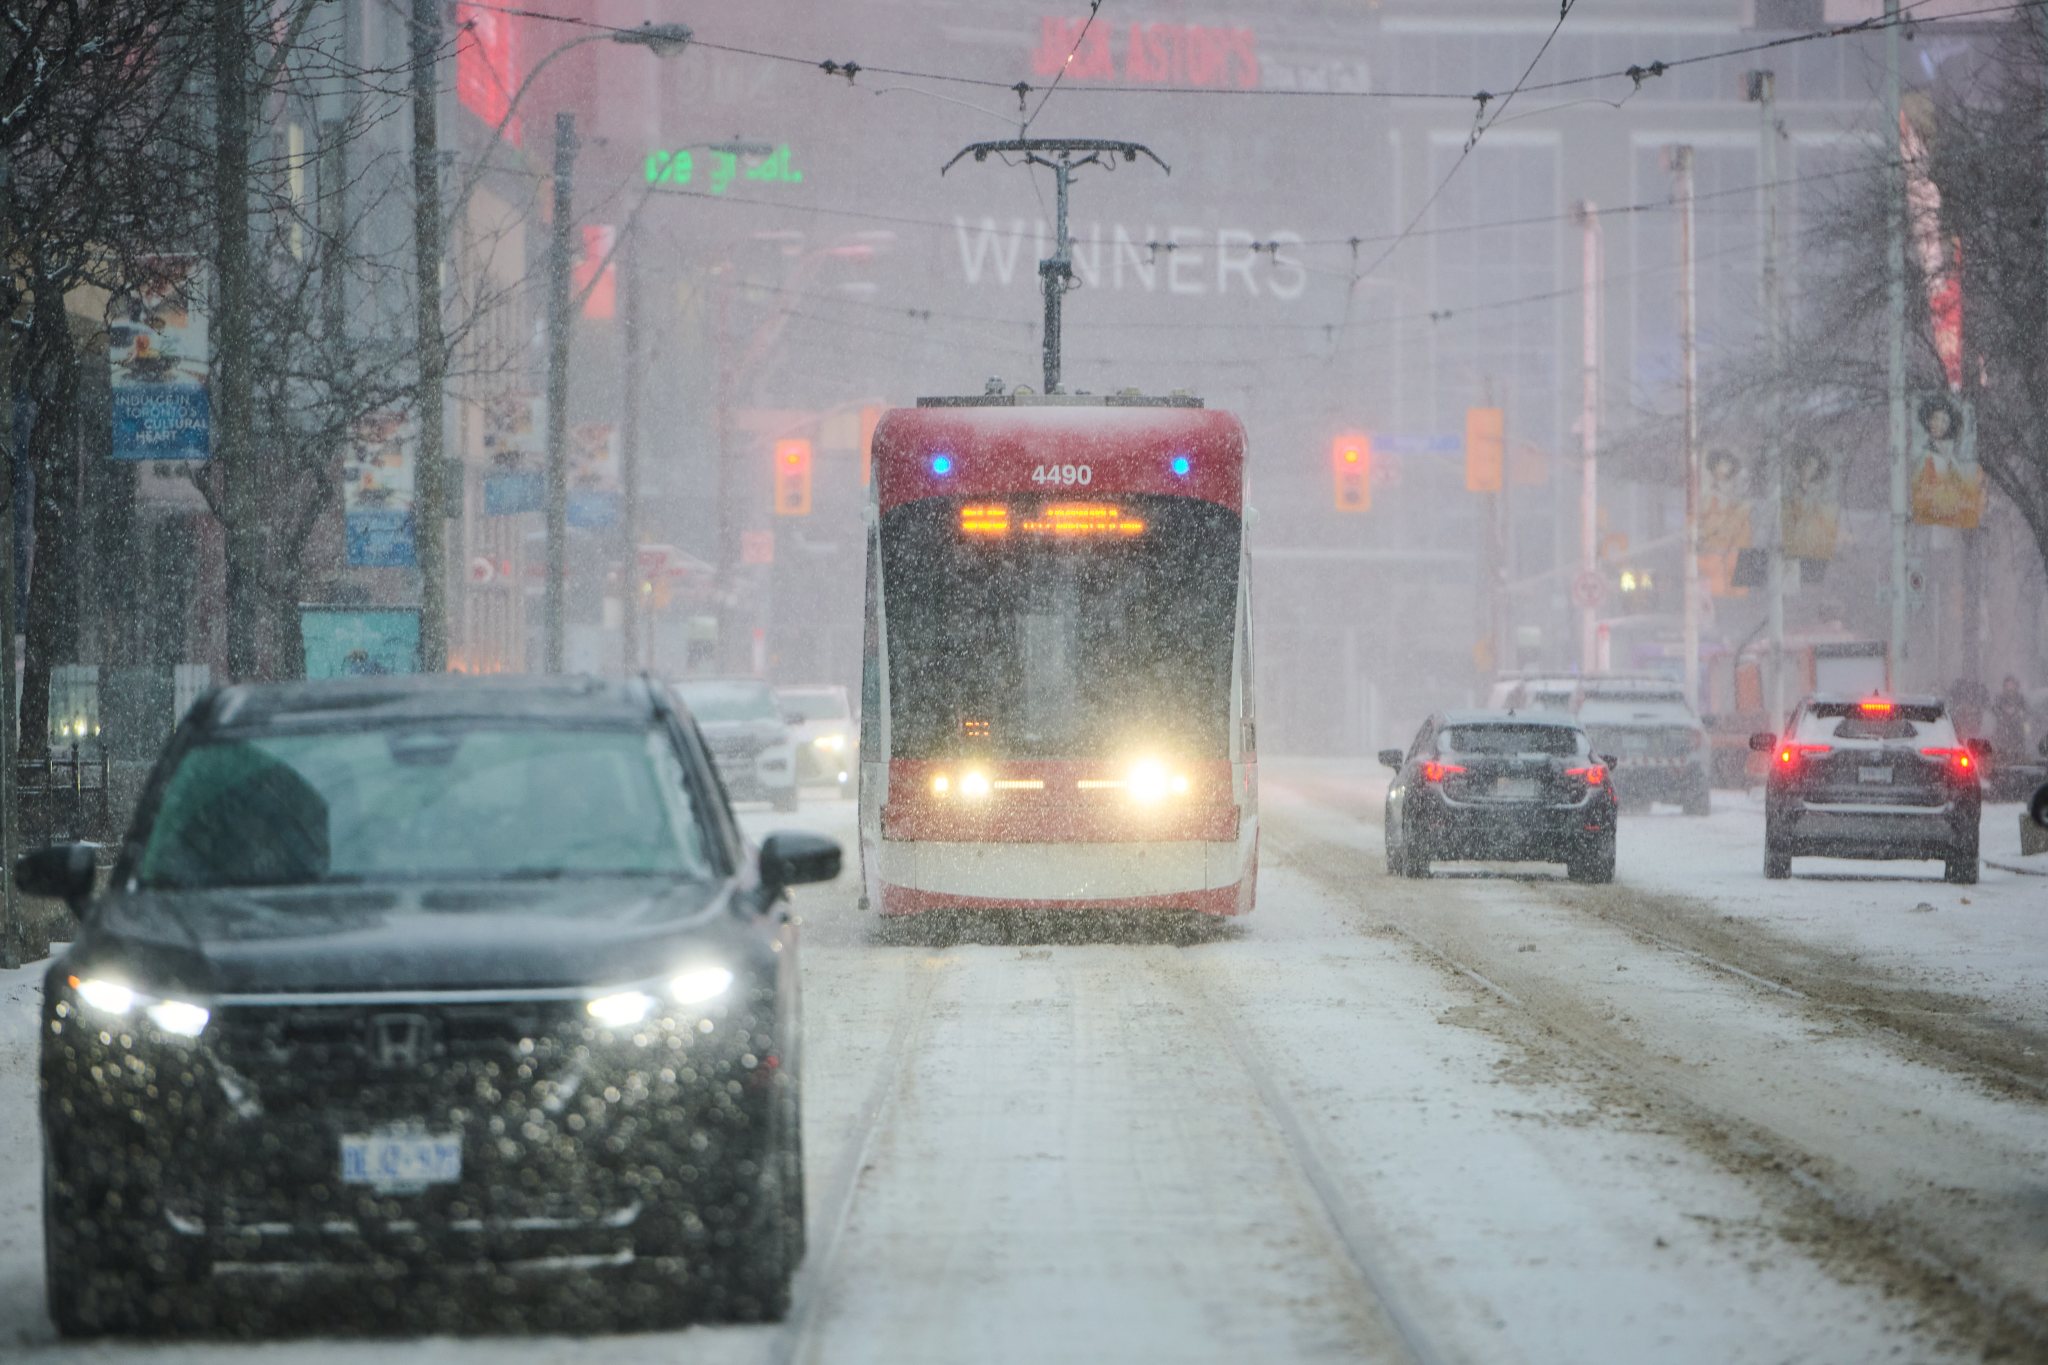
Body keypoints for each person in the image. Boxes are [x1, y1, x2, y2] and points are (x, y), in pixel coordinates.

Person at [1991, 676, 2030, 762]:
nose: (2010, 688)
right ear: (2004, 687)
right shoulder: (2000, 698)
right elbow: (1994, 710)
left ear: (2016, 686)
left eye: (2012, 685)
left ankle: (2018, 761)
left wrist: (2017, 713)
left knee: (2018, 754)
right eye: (2007, 685)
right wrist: (2003, 713)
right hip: (2003, 732)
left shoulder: (2020, 699)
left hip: (2017, 732)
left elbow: (2026, 712)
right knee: (2002, 753)